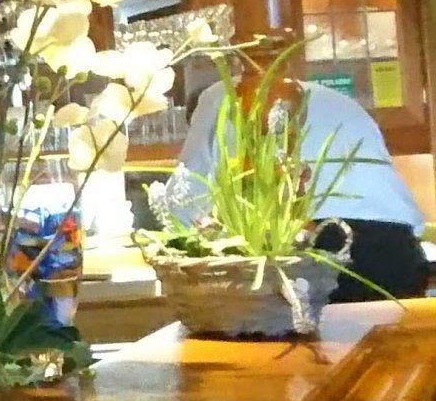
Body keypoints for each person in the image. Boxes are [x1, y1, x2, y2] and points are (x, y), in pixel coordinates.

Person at [176, 80, 430, 301]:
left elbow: (185, 202)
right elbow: (408, 217)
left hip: (310, 250)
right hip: (398, 251)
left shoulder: (221, 96)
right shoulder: (336, 100)